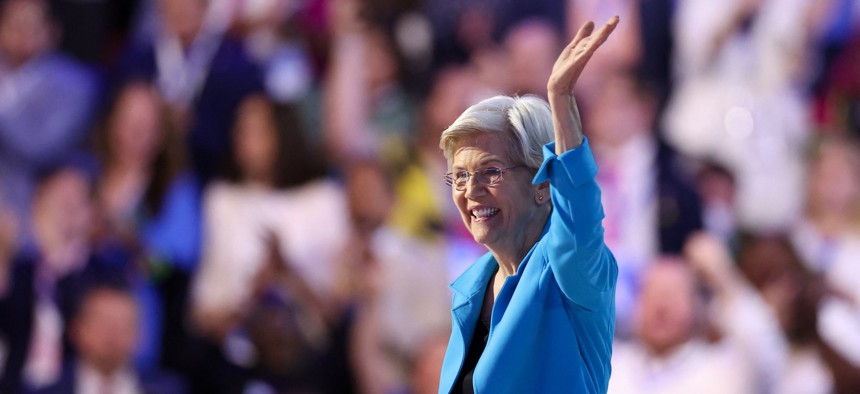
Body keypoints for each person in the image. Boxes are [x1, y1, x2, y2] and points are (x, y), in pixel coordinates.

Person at [436, 17, 619, 393]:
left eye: (490, 172)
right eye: (460, 176)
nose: (471, 190)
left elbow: (579, 216)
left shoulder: (568, 272)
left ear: (541, 186)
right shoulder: (472, 289)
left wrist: (561, 100)